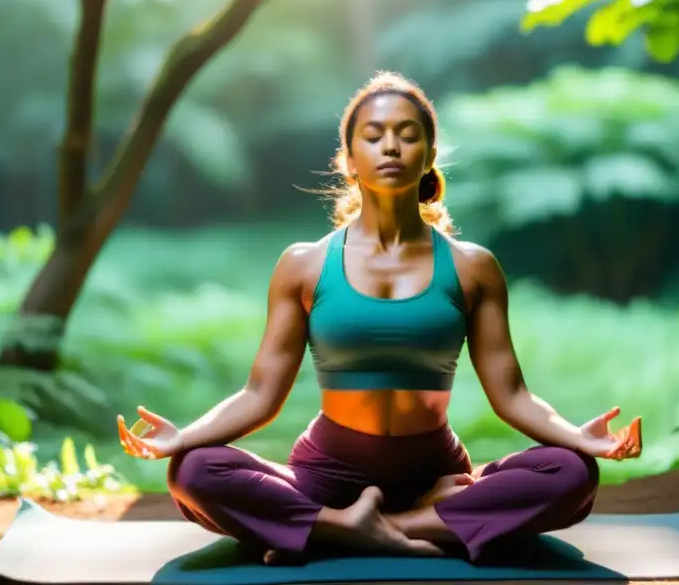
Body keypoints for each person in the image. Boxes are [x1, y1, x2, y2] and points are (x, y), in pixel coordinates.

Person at [117, 72, 642, 564]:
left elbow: (513, 396)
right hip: (326, 472)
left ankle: (360, 527)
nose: (390, 146)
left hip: (435, 472)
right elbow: (259, 393)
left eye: (407, 135)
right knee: (194, 472)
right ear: (348, 159)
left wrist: (578, 437)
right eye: (373, 136)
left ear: (430, 154)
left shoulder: (472, 267)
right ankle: (375, 522)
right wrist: (183, 438)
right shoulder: (304, 264)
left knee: (572, 473)